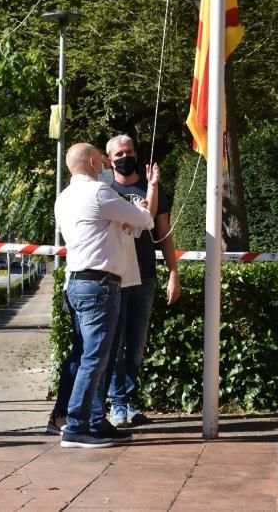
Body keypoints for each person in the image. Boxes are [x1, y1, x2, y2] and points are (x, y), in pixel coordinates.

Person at [54, 142, 156, 448]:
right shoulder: (99, 193)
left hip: (79, 282)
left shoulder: (65, 197)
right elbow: (146, 221)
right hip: (99, 284)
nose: (107, 168)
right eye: (102, 161)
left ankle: (96, 422)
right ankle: (77, 426)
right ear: (92, 163)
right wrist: (135, 210)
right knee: (96, 358)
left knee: (94, 355)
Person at [105, 135, 181, 428]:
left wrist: (173, 272)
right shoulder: (105, 190)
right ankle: (117, 403)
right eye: (119, 154)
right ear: (109, 160)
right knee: (115, 341)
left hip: (146, 275)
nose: (126, 157)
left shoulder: (154, 189)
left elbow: (163, 234)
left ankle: (127, 399)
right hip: (114, 276)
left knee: (135, 343)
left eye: (130, 151)